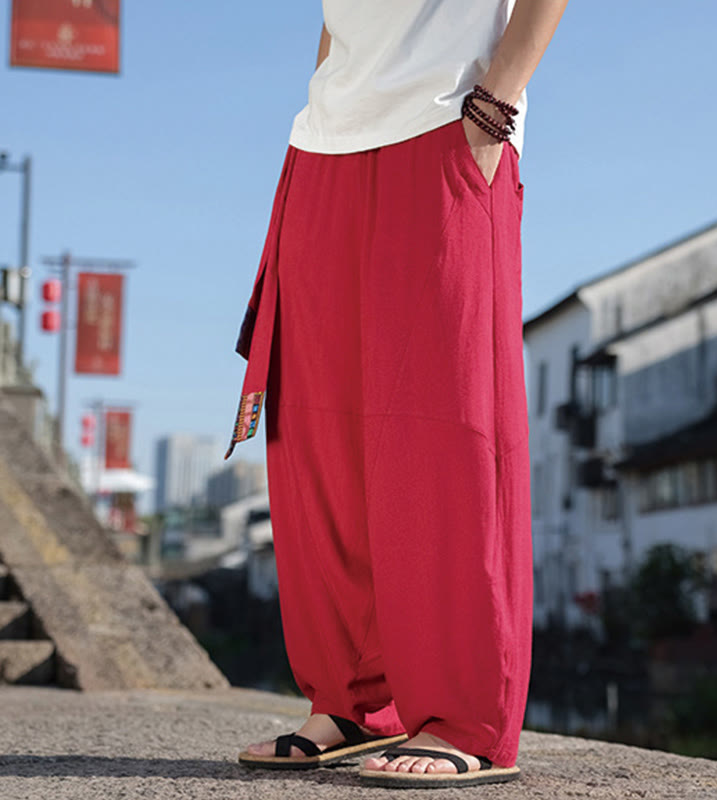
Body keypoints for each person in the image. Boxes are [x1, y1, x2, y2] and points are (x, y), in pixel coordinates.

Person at [227, 0, 569, 788]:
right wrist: (326, 100)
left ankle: (464, 718)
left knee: (442, 427)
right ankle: (350, 700)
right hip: (323, 140)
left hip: (450, 121)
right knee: (317, 433)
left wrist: (497, 102)